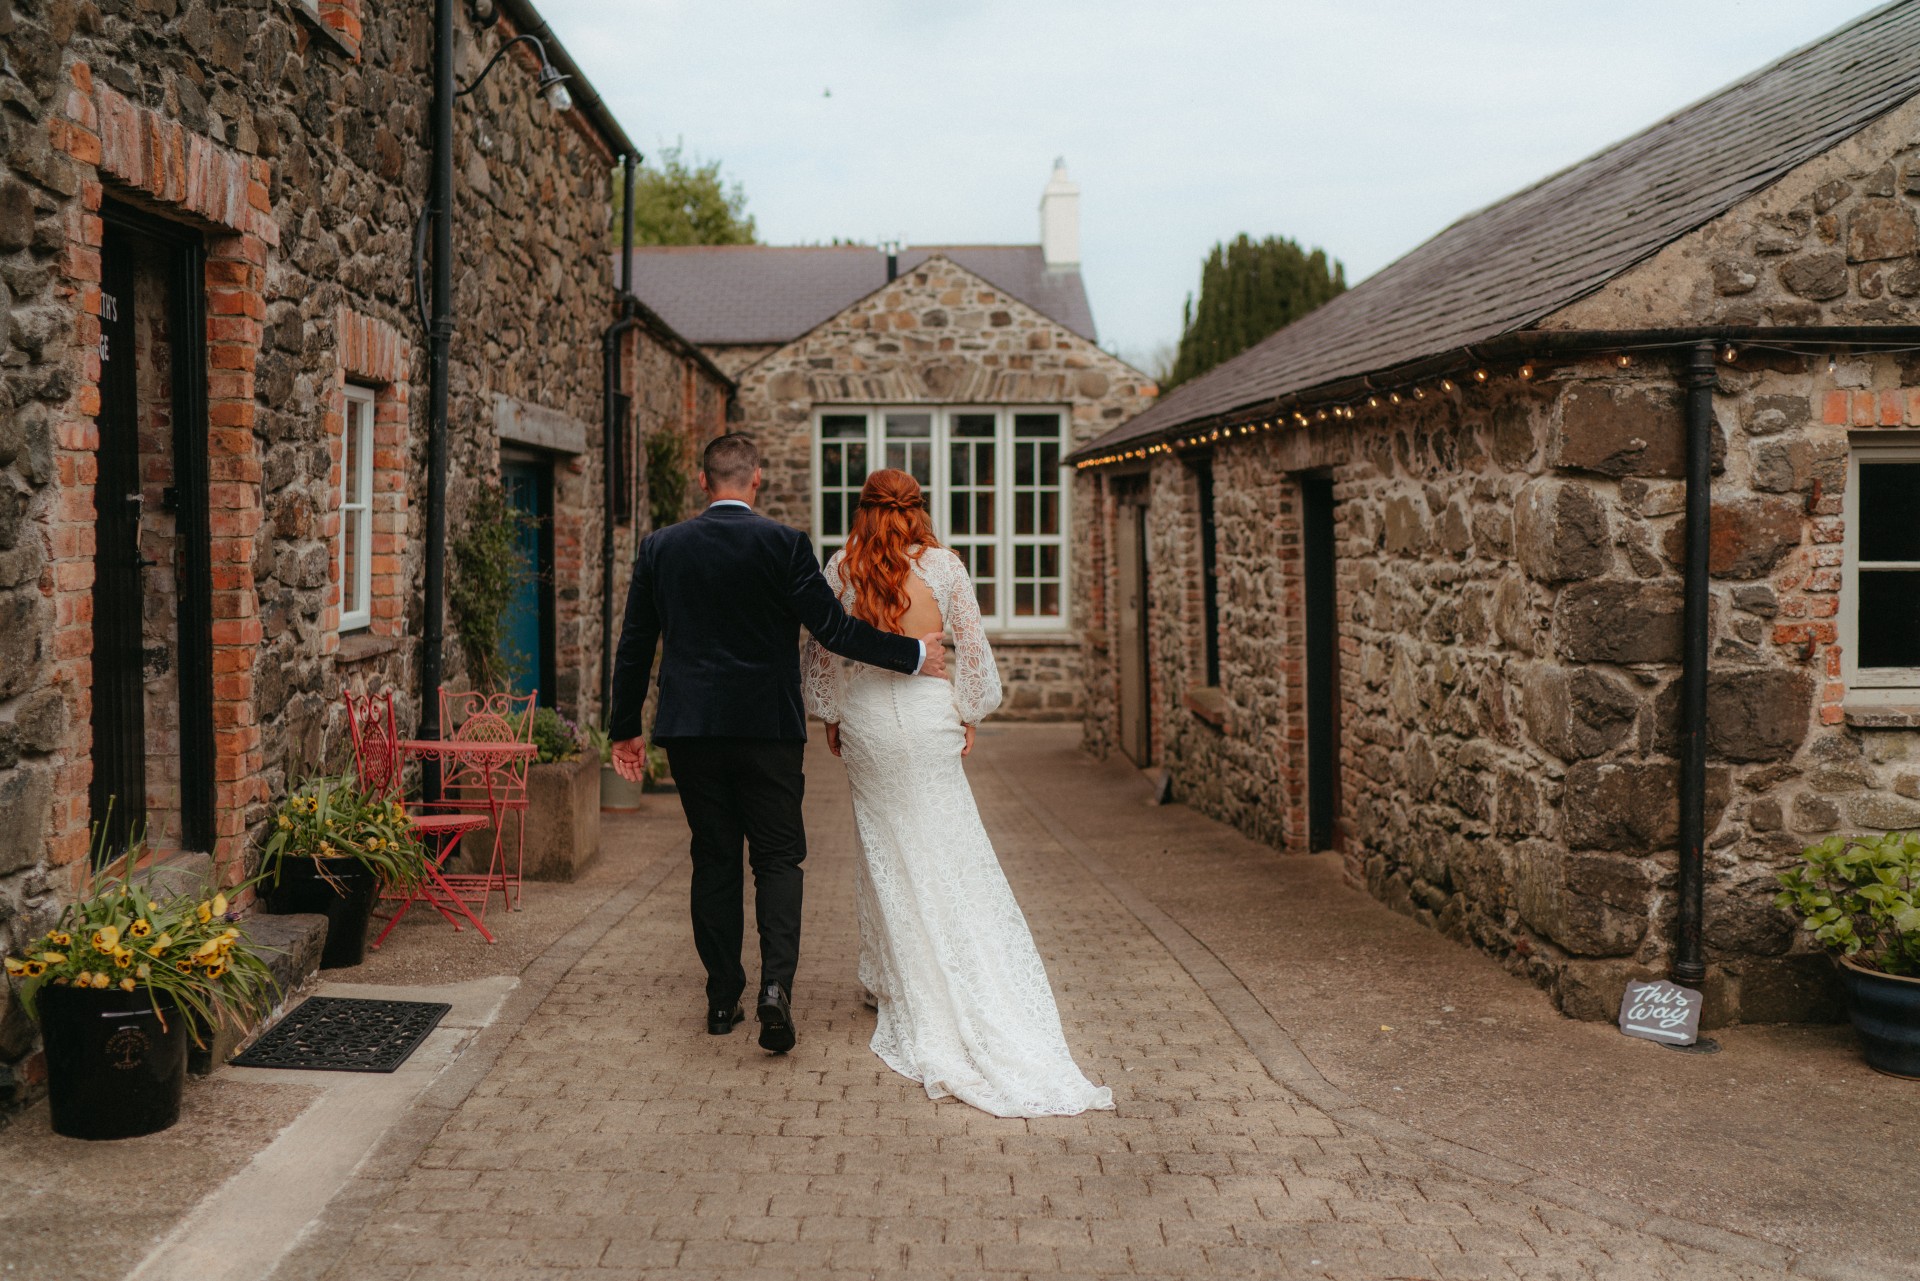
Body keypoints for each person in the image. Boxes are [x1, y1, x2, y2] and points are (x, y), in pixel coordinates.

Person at [606, 435, 948, 1054]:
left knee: (713, 857)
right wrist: (915, 653)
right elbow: (835, 630)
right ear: (756, 480)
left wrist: (624, 728)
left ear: (704, 480)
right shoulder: (784, 544)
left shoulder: (661, 548)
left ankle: (720, 998)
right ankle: (775, 993)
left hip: (692, 730)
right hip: (768, 730)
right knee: (778, 860)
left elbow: (634, 644)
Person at [803, 468, 1113, 1118]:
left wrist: (831, 713)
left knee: (883, 843)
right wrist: (968, 711)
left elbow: (824, 655)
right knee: (948, 841)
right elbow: (972, 650)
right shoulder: (944, 568)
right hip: (925, 716)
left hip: (866, 720)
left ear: (863, 510)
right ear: (919, 509)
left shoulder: (841, 566)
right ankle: (930, 973)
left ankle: (894, 979)